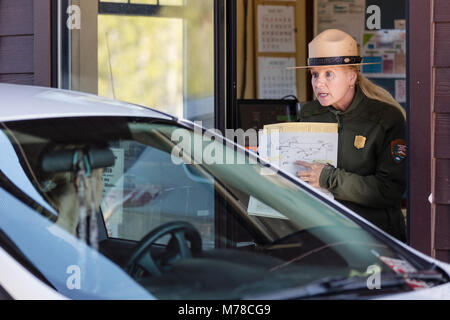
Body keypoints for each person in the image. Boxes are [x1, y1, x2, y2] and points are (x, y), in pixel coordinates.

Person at [293, 29, 407, 242]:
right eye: (315, 74)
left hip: (375, 238)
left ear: (351, 77)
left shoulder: (385, 119)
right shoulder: (308, 114)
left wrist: (329, 178)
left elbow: (389, 189)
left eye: (329, 74)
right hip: (324, 235)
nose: (319, 83)